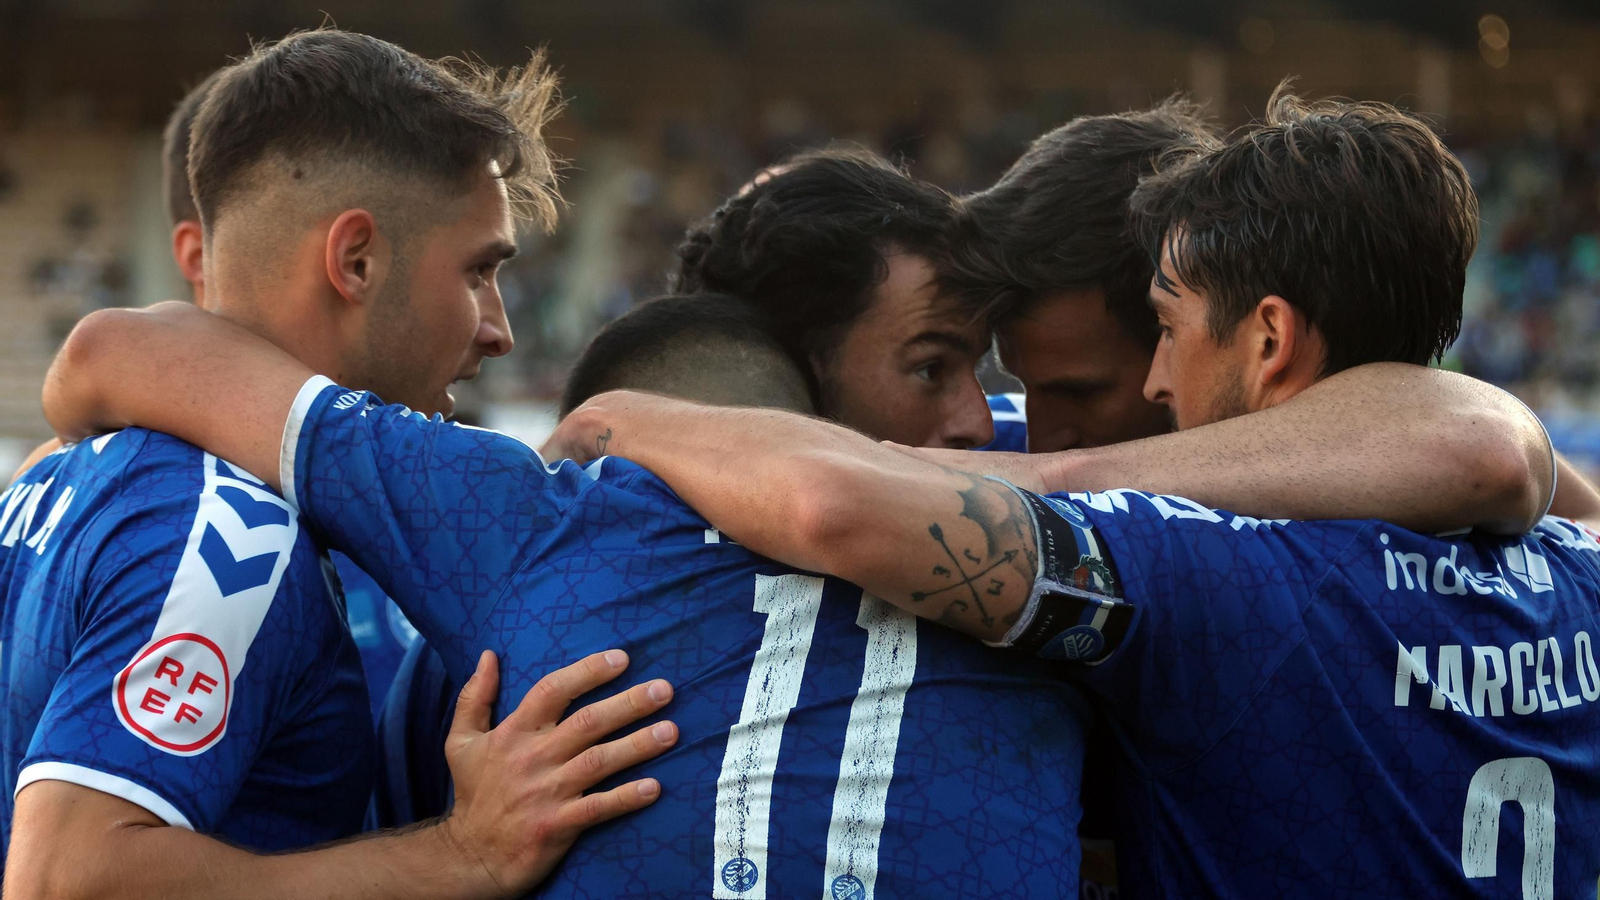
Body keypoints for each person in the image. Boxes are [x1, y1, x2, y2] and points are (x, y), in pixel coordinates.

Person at [537, 87, 1600, 896]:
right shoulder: (1571, 565)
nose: (1032, 426)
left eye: (1153, 345)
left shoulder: (1212, 570)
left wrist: (627, 416)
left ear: (1265, 336)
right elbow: (1507, 464)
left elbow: (1485, 447)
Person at [44, 294, 1092, 897]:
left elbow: (110, 352)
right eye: (482, 267)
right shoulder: (1087, 554)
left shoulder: (539, 523)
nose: (500, 325)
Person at [1, 29, 674, 898]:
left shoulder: (63, 476)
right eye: (478, 272)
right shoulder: (229, 531)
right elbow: (69, 881)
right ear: (356, 260)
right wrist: (462, 856)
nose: (500, 329)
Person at [158, 67, 415, 725]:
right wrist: (462, 838)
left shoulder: (379, 472)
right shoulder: (187, 516)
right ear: (198, 254)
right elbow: (79, 829)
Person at [673, 149, 995, 449]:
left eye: (976, 368)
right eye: (931, 370)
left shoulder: (1021, 444)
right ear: (784, 379)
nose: (982, 425)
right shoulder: (634, 502)